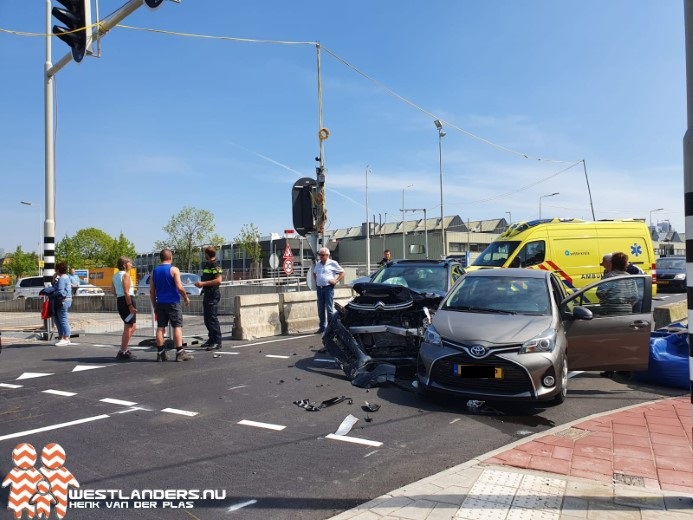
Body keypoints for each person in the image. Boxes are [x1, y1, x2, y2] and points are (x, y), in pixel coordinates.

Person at [149, 249, 192, 362]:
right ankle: (179, 352)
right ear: (171, 257)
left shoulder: (154, 271)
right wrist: (186, 297)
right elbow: (179, 286)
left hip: (160, 303)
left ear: (161, 258)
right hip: (172, 302)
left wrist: (154, 305)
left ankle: (161, 352)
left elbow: (152, 291)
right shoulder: (174, 269)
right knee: (177, 326)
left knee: (160, 327)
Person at [195, 246, 223, 351]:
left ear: (207, 254)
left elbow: (219, 281)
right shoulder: (207, 264)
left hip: (213, 294)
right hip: (207, 294)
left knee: (212, 319)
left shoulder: (215, 265)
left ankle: (217, 342)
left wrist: (203, 283)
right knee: (207, 319)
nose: (204, 255)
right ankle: (211, 339)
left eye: (204, 253)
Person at [313, 247, 345, 334]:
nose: (321, 257)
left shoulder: (332, 263)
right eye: (320, 255)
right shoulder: (318, 264)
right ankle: (322, 327)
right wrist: (317, 281)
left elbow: (342, 272)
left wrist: (336, 280)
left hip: (328, 288)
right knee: (320, 308)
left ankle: (331, 327)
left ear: (327, 255)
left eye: (322, 255)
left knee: (329, 308)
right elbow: (314, 273)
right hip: (320, 288)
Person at [112, 256, 137, 361]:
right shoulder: (125, 275)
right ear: (124, 264)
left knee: (133, 326)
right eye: (129, 263)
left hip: (120, 300)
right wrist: (130, 305)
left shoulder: (115, 276)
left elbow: (113, 292)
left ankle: (124, 348)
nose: (131, 264)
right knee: (128, 326)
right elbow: (127, 292)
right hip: (127, 300)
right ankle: (123, 351)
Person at [53, 262, 73, 346]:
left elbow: (60, 291)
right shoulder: (67, 277)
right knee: (60, 318)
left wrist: (55, 294)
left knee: (63, 319)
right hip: (68, 299)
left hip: (62, 300)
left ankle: (66, 337)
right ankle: (62, 337)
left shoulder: (61, 279)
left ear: (58, 270)